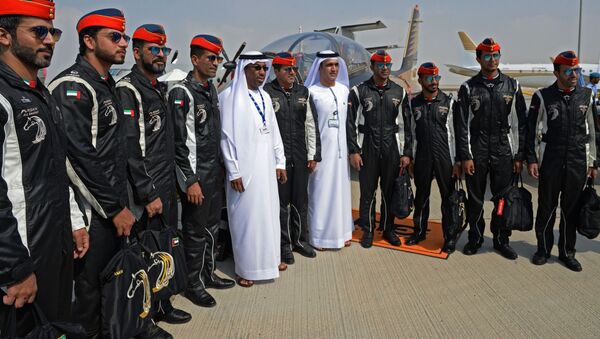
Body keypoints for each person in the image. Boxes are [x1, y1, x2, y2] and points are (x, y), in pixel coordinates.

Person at [48, 8, 140, 338]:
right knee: (86, 297)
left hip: (112, 208)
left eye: (125, 37)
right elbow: (77, 158)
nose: (123, 43)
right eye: (114, 37)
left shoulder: (105, 83)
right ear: (88, 40)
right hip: (90, 214)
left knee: (112, 288)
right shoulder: (73, 85)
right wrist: (114, 208)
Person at [0, 1, 88, 336]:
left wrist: (75, 224)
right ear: (4, 36)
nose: (50, 39)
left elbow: (54, 171)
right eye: (39, 31)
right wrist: (15, 269)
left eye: (53, 31)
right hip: (21, 255)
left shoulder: (41, 95)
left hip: (55, 243)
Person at [116, 24, 191, 332]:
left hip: (165, 183)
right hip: (144, 191)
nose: (160, 55)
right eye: (153, 49)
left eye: (163, 49)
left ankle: (163, 303)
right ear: (137, 53)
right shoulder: (128, 90)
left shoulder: (159, 87)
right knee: (145, 254)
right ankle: (145, 321)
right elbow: (131, 149)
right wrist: (148, 193)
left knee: (164, 249)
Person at [168, 34, 235, 307]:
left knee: (210, 228)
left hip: (212, 172)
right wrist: (190, 180)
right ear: (194, 59)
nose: (216, 63)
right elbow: (177, 143)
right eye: (210, 58)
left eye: (218, 58)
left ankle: (207, 274)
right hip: (195, 175)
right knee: (194, 232)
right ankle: (193, 283)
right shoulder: (181, 93)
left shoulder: (209, 90)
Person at [454, 38, 527, 259]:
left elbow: (519, 123)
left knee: (502, 198)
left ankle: (501, 239)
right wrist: (465, 156)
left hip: (503, 150)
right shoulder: (468, 88)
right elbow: (462, 126)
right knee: (475, 198)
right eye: (487, 56)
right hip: (478, 149)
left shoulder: (512, 86)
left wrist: (519, 155)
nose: (492, 60)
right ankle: (475, 237)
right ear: (478, 59)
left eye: (496, 56)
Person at [527, 51, 599, 272]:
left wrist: (593, 162)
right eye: (568, 71)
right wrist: (532, 159)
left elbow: (594, 132)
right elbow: (530, 130)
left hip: (577, 160)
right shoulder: (543, 97)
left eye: (575, 70)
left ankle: (567, 252)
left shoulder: (587, 96)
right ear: (556, 72)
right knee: (547, 207)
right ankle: (543, 249)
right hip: (551, 159)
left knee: (571, 210)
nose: (574, 75)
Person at [220, 51, 287, 287]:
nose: (261, 73)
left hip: (266, 167)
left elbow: (274, 131)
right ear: (244, 69)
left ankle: (270, 260)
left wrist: (280, 161)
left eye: (263, 68)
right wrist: (234, 170)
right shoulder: (229, 97)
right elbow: (225, 138)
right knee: (246, 219)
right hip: (245, 170)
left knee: (269, 215)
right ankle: (246, 268)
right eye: (256, 68)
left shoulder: (265, 97)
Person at [264, 52, 320, 264]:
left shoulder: (302, 92)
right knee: (281, 203)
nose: (292, 73)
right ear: (276, 71)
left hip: (300, 154)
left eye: (294, 69)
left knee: (301, 200)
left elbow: (310, 125)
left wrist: (313, 154)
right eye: (287, 70)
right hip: (278, 159)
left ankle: (300, 240)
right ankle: (283, 245)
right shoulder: (267, 93)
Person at [400, 62, 462, 252]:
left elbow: (457, 133)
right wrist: (408, 156)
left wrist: (458, 161)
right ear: (420, 80)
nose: (434, 82)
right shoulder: (413, 104)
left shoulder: (449, 103)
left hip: (445, 157)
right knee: (421, 197)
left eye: (437, 78)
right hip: (423, 157)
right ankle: (419, 232)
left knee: (449, 199)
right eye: (429, 78)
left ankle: (449, 237)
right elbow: (409, 132)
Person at [347, 50, 406, 248]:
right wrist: (354, 150)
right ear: (372, 67)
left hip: (391, 150)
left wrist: (406, 153)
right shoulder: (359, 91)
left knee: (389, 192)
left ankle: (388, 229)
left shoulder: (399, 92)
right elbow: (351, 123)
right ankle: (368, 230)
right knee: (368, 193)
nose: (385, 68)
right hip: (368, 149)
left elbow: (406, 125)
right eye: (380, 65)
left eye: (388, 65)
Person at [305, 50, 354, 250]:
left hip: (341, 154)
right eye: (329, 65)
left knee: (341, 193)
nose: (333, 69)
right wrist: (312, 154)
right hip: (321, 154)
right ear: (320, 68)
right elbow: (308, 126)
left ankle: (342, 233)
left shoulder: (344, 90)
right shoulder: (312, 92)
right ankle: (319, 237)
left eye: (336, 65)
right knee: (320, 194)